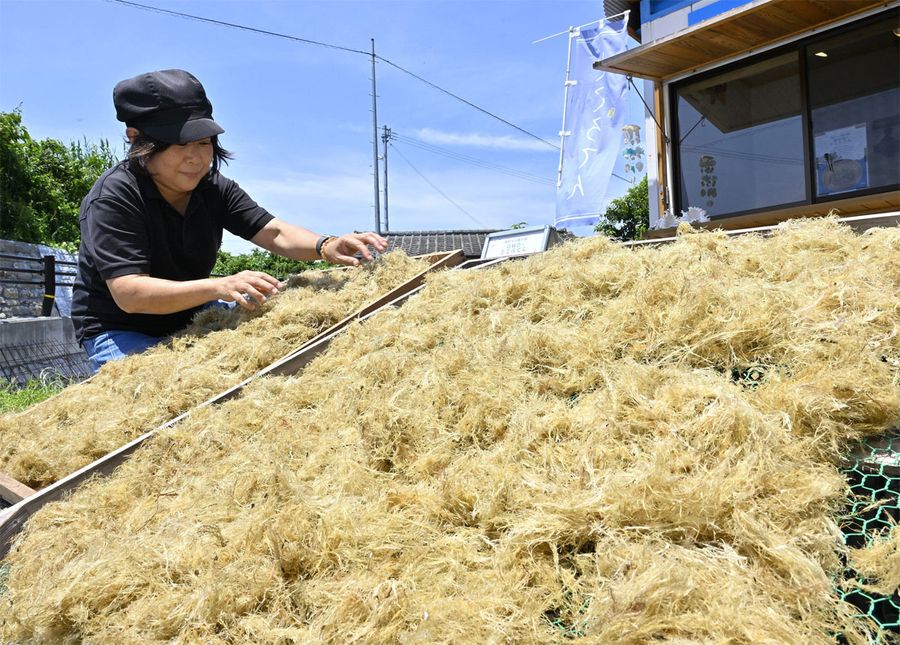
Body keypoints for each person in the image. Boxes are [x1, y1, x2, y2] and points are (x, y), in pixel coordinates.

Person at [72, 69, 387, 371]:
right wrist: (219, 286)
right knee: (172, 390)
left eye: (203, 142)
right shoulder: (114, 197)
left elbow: (272, 231)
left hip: (192, 314)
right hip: (120, 329)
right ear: (136, 139)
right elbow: (129, 293)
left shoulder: (212, 188)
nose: (196, 158)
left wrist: (326, 246)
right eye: (179, 144)